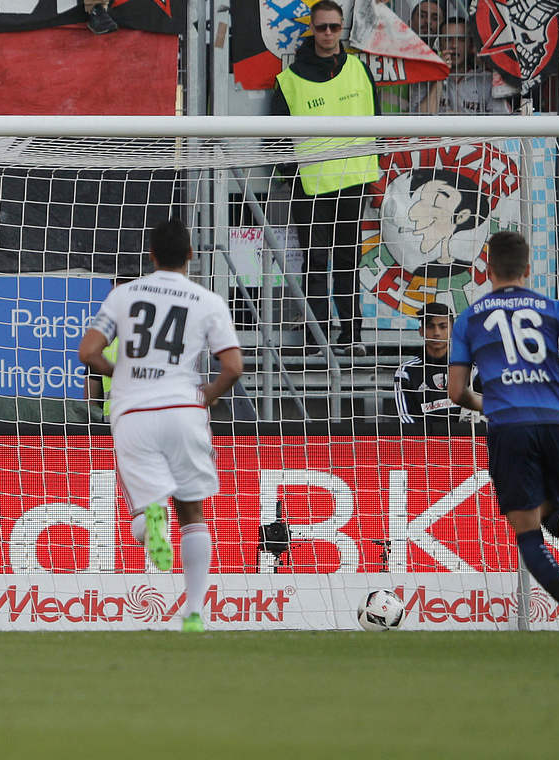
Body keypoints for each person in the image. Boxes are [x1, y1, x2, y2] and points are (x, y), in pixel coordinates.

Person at [78, 219, 245, 633]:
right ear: (191, 255)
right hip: (183, 410)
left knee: (144, 504)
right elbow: (233, 367)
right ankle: (193, 612)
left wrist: (122, 374)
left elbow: (88, 352)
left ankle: (148, 520)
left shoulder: (123, 295)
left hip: (134, 412)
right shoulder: (207, 300)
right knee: (193, 512)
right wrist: (207, 395)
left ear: (151, 256)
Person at [447, 230, 559, 632]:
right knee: (553, 508)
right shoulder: (551, 307)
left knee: (527, 531)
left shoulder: (469, 318)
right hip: (558, 422)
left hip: (511, 427)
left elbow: (456, 391)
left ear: (486, 269)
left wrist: (490, 403)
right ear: (528, 269)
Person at [270, 0, 381, 356]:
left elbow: (378, 123)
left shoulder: (361, 71)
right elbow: (275, 140)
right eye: (322, 28)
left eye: (335, 27)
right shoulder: (288, 81)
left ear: (343, 27)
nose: (329, 34)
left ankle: (352, 336)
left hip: (353, 180)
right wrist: (293, 177)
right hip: (311, 185)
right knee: (316, 260)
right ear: (312, 29)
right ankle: (316, 339)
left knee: (348, 259)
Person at [394, 301, 479, 430]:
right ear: (421, 331)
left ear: (452, 329)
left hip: (465, 442)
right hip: (425, 444)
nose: (437, 333)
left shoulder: (472, 368)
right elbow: (406, 418)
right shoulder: (407, 372)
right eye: (430, 326)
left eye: (443, 326)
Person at [411, 19, 512, 115]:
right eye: (448, 39)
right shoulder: (426, 79)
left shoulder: (487, 80)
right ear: (440, 45)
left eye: (461, 40)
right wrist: (440, 76)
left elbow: (501, 124)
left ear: (470, 45)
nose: (454, 45)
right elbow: (417, 121)